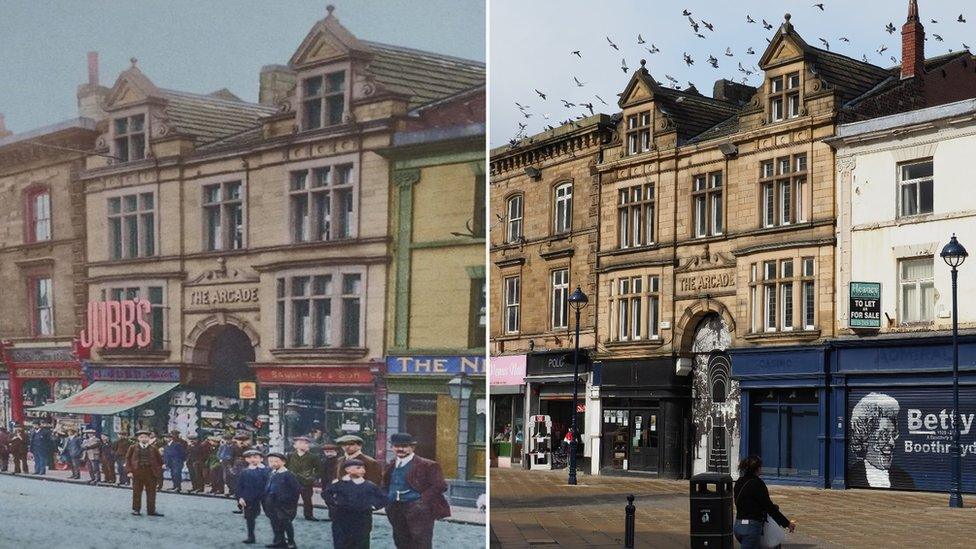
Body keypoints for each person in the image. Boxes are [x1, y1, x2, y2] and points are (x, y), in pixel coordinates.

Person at [383, 432, 450, 549]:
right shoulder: (391, 464)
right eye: (396, 446)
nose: (400, 449)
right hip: (395, 508)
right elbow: (385, 484)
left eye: (404, 446)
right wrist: (386, 499)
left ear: (412, 447)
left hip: (418, 510)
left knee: (421, 541)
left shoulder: (427, 465)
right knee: (400, 539)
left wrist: (421, 502)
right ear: (391, 447)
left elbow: (440, 485)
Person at [848, 392, 915, 489]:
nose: (892, 442)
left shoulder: (904, 478)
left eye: (893, 435)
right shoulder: (851, 475)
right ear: (865, 436)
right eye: (884, 435)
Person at [733, 455, 796, 549]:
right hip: (751, 528)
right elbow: (769, 507)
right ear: (758, 468)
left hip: (738, 525)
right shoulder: (757, 483)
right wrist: (787, 523)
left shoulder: (739, 482)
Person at [324, 458, 387, 549]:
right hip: (342, 518)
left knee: (361, 542)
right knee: (342, 541)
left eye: (363, 468)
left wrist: (373, 506)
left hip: (362, 519)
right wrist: (335, 503)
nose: (363, 470)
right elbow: (326, 494)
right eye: (358, 468)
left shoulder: (369, 485)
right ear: (348, 470)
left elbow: (383, 498)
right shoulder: (339, 484)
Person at [264, 451, 300, 549]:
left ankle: (291, 542)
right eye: (270, 461)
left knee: (285, 523)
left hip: (284, 504)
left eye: (276, 461)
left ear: (283, 462)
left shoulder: (288, 474)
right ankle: (279, 541)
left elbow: (296, 490)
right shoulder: (271, 473)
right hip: (271, 502)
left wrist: (288, 501)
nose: (273, 464)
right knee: (274, 522)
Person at [125, 430, 164, 517]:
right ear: (138, 438)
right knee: (137, 491)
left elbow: (159, 460)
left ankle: (151, 510)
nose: (144, 439)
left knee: (151, 492)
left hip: (150, 473)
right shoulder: (133, 448)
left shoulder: (153, 448)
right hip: (137, 472)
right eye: (141, 437)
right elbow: (127, 459)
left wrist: (159, 468)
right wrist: (129, 471)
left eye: (146, 437)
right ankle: (136, 509)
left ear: (149, 438)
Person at [237, 449, 271, 545]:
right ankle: (251, 536)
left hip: (266, 496)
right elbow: (240, 486)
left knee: (274, 516)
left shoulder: (267, 470)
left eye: (255, 457)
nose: (253, 459)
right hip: (250, 497)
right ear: (246, 459)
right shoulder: (245, 472)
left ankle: (280, 537)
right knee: (250, 517)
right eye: (250, 458)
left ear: (261, 459)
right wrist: (240, 497)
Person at [286, 435, 320, 521]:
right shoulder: (290, 455)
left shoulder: (313, 457)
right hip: (292, 481)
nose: (303, 445)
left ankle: (309, 515)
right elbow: (285, 467)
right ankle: (290, 514)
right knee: (292, 499)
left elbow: (318, 469)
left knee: (307, 499)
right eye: (300, 443)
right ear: (295, 445)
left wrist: (312, 477)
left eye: (305, 443)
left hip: (306, 482)